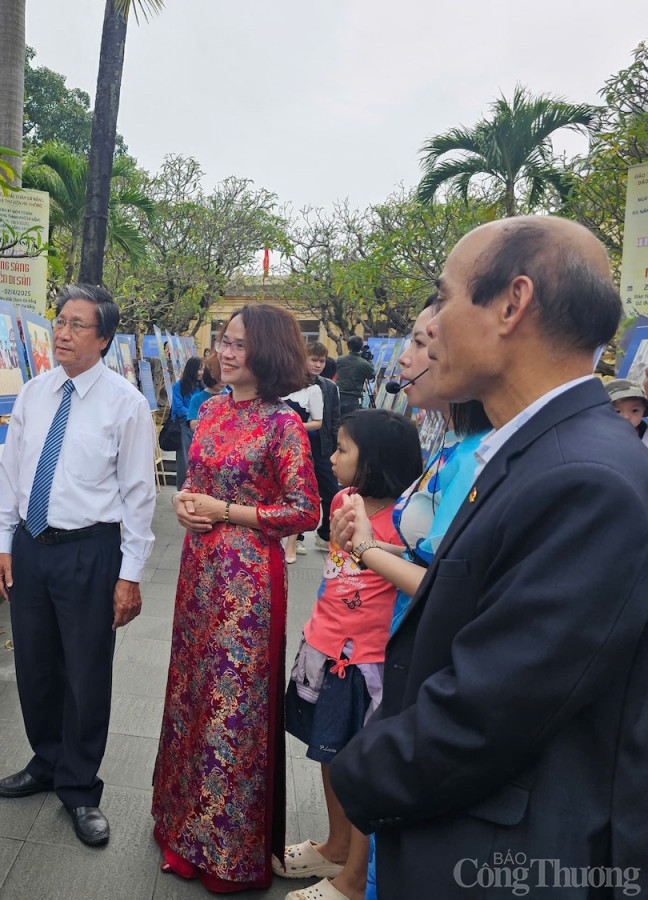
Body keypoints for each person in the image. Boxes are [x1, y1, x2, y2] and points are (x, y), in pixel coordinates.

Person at [329, 216, 648, 897]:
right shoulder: (540, 451)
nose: (432, 325)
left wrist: (353, 773)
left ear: (512, 303)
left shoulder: (585, 478)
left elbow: (487, 710)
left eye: (444, 299)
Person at [325, 299, 492, 900]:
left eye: (423, 343)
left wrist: (368, 548)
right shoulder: (449, 441)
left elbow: (448, 588)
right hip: (397, 640)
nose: (405, 356)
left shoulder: (480, 455)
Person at [153, 305, 319, 891]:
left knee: (234, 709)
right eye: (224, 341)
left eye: (240, 345)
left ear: (268, 353)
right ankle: (181, 829)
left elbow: (304, 510)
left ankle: (226, 851)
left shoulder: (283, 424)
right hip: (198, 574)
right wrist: (182, 502)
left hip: (247, 584)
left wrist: (227, 513)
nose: (226, 352)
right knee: (192, 696)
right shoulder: (210, 410)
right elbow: (194, 481)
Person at [0, 284, 156, 848]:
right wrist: (3, 543)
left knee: (86, 671)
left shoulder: (125, 404)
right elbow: (11, 474)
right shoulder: (34, 393)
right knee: (35, 664)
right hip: (33, 547)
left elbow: (138, 495)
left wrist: (130, 573)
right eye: (59, 321)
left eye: (77, 325)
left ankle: (80, 787)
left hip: (91, 550)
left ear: (103, 338)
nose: (62, 332)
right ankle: (47, 760)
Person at [276, 409, 423, 900]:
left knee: (362, 768)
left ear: (375, 460)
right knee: (328, 752)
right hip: (324, 647)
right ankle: (337, 845)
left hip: (368, 663)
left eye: (342, 449)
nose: (332, 456)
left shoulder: (405, 521)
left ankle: (355, 877)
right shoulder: (344, 498)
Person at [282, 363, 325, 563]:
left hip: (297, 445)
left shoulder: (312, 389)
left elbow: (318, 422)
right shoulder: (276, 384)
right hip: (271, 443)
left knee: (297, 493)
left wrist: (293, 425)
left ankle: (291, 545)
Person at [308, 342, 341, 548]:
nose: (318, 364)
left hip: (324, 446)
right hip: (298, 446)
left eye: (321, 361)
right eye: (314, 359)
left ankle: (325, 533)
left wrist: (338, 447)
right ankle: (298, 537)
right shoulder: (291, 384)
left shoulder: (329, 386)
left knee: (331, 492)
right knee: (300, 493)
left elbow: (335, 418)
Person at [171, 357, 203, 488]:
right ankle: (182, 490)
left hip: (201, 427)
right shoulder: (178, 386)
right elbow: (178, 408)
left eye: (203, 369)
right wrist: (193, 416)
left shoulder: (203, 387)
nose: (201, 372)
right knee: (184, 462)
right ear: (192, 369)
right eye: (200, 369)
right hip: (184, 427)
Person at [335, 336, 375, 414]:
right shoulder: (364, 363)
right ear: (361, 347)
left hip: (338, 396)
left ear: (348, 347)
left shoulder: (340, 360)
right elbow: (371, 375)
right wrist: (369, 361)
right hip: (354, 398)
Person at [606, 377, 648, 445]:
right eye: (617, 411)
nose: (626, 417)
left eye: (634, 410)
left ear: (644, 410)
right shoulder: (596, 437)